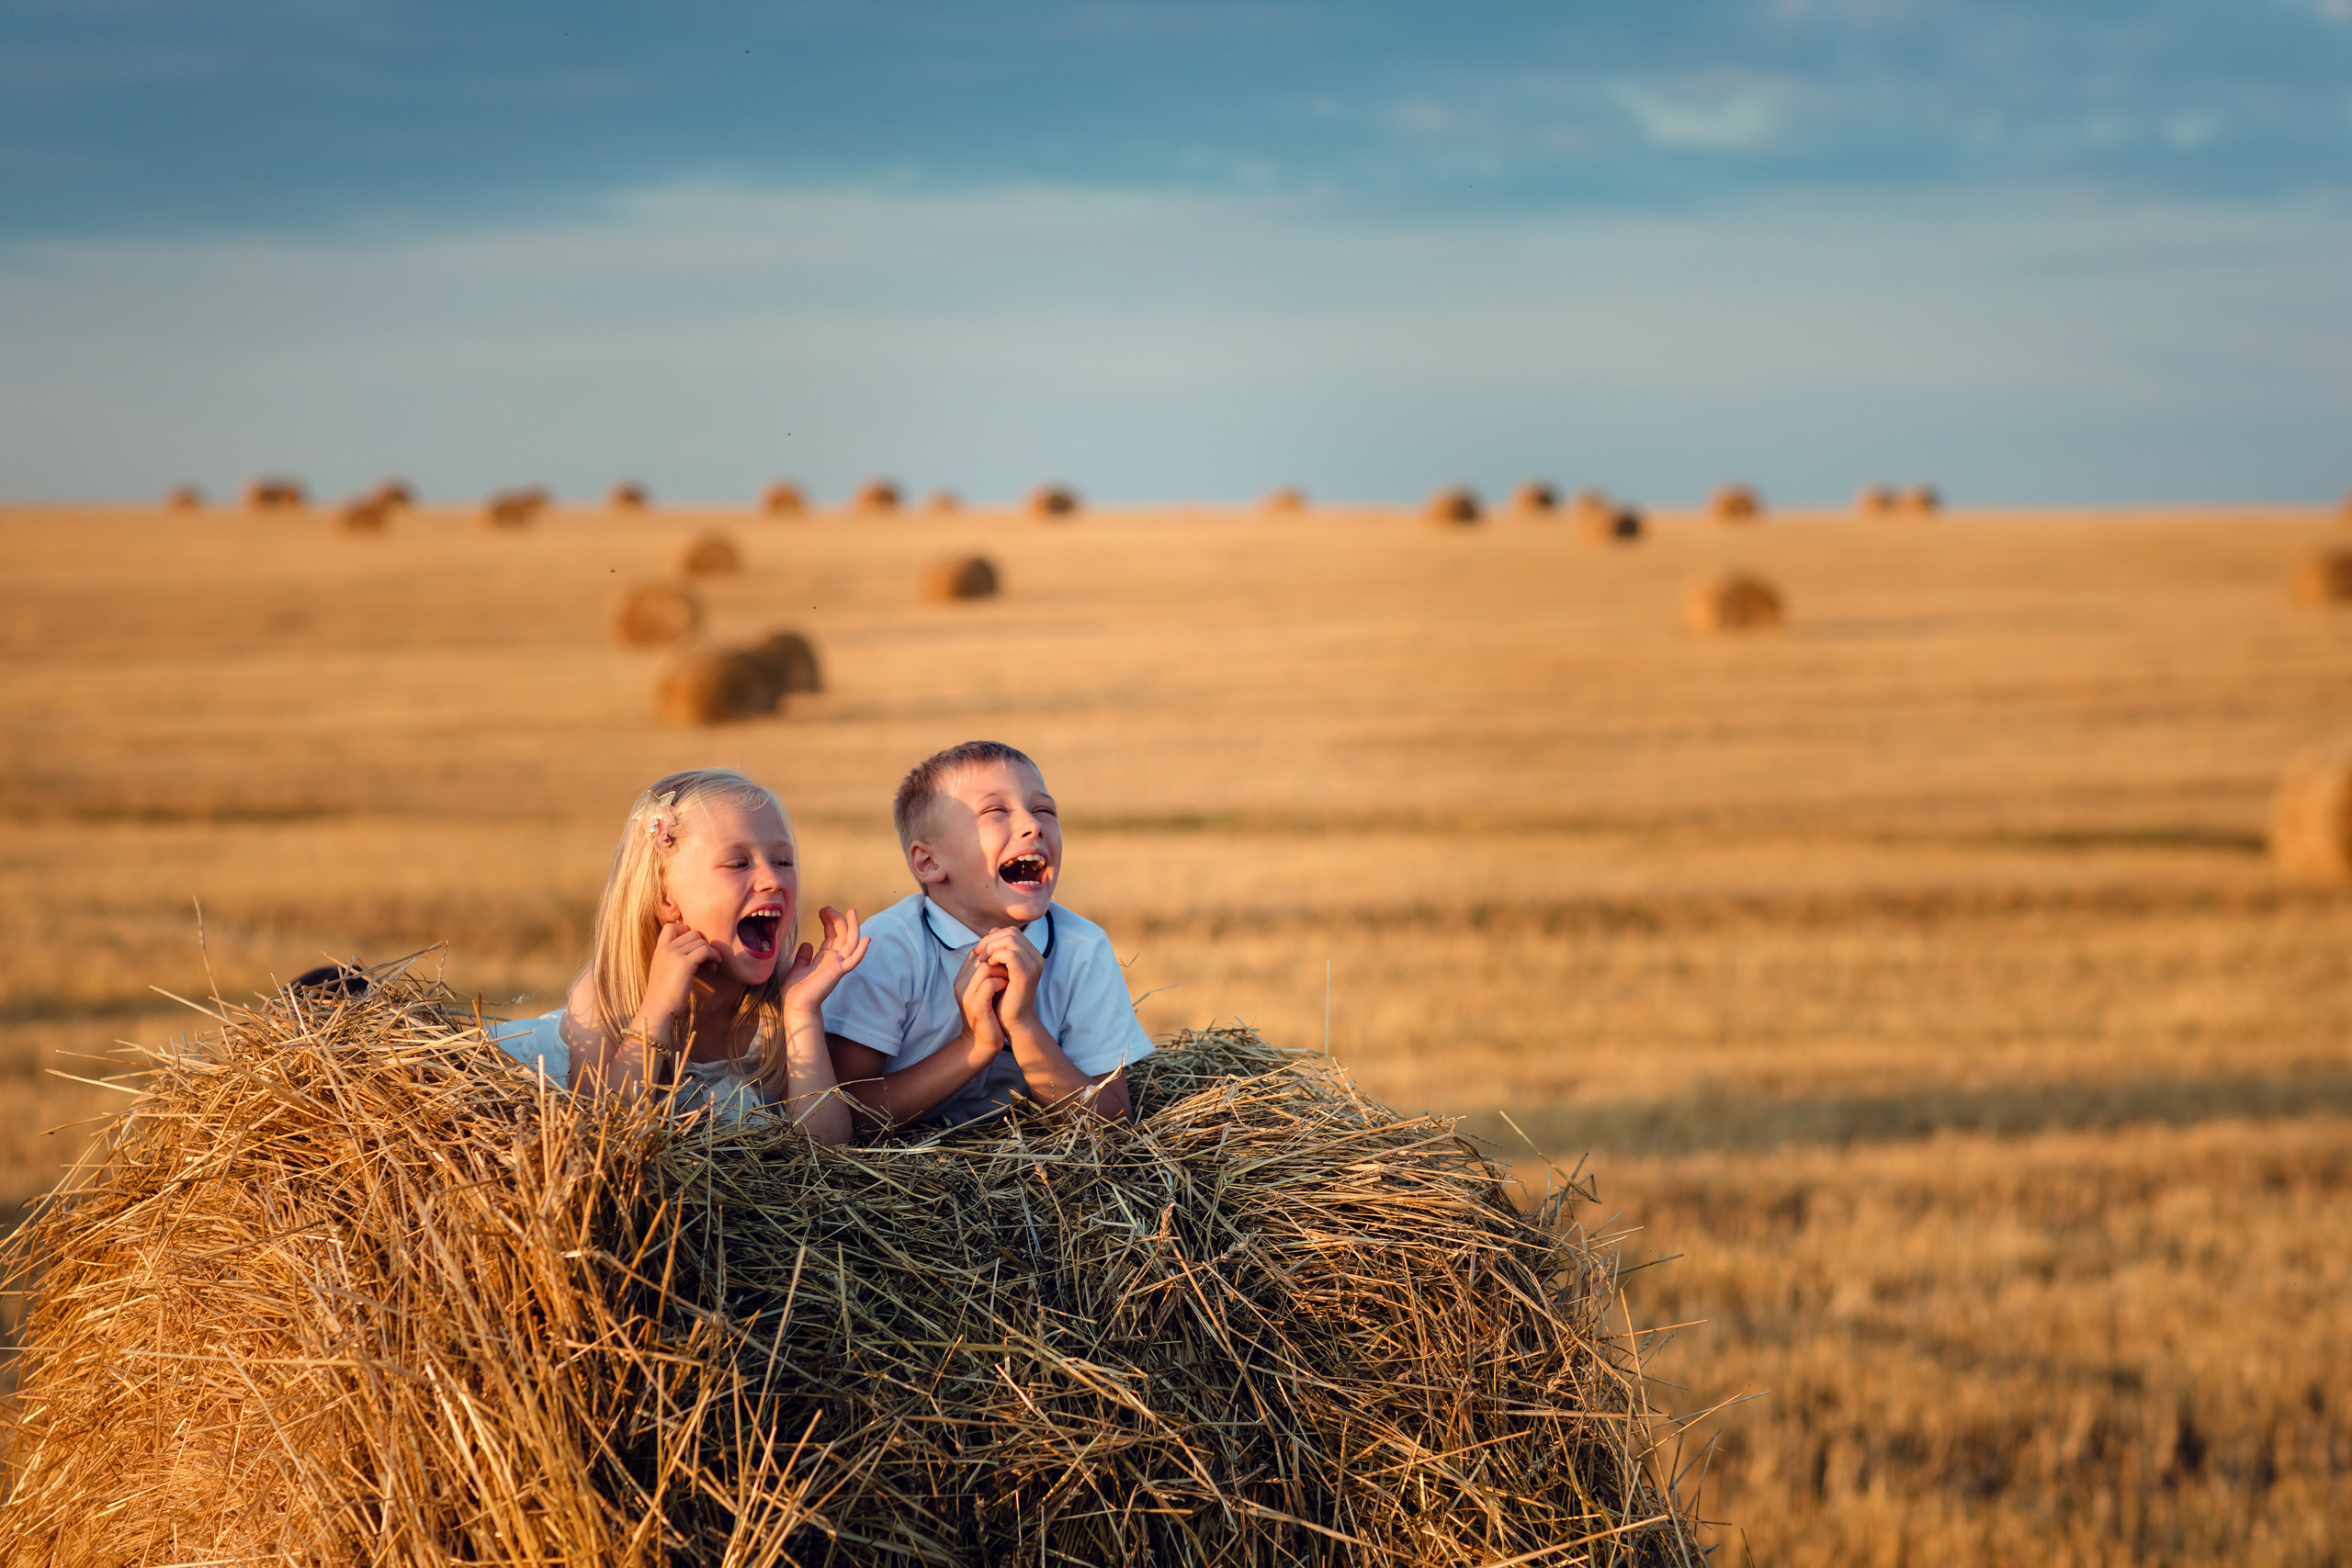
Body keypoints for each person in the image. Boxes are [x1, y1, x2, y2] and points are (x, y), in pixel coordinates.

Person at [491, 768, 863, 1144]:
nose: (773, 879)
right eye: (737, 863)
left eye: (783, 861)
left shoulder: (779, 1005)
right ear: (667, 898)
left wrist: (802, 1013)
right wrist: (657, 1010)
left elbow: (827, 1148)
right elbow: (599, 1137)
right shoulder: (608, 993)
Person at [822, 740, 1152, 1130]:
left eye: (1044, 810)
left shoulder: (1084, 949)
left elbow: (1113, 1123)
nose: (1033, 824)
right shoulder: (884, 949)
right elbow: (843, 1113)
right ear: (928, 862)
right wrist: (973, 1046)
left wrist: (1025, 1025)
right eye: (996, 811)